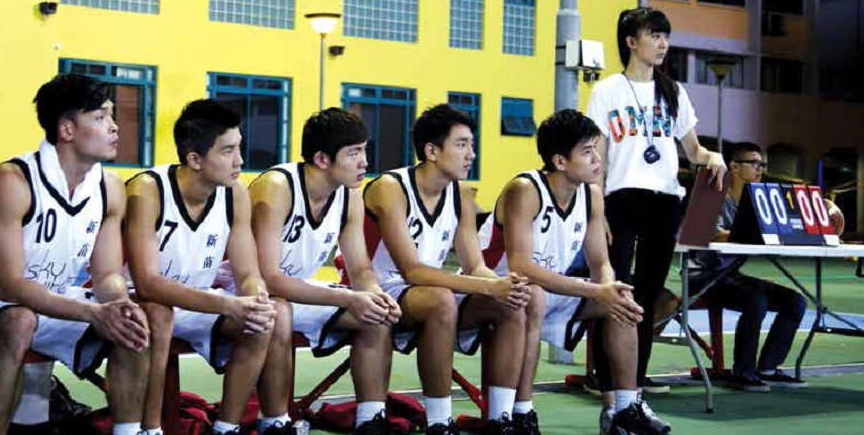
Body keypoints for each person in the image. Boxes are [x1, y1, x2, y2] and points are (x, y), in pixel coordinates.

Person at [0, 74, 150, 435]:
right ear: (67, 130)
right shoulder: (11, 180)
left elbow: (106, 276)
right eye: (101, 118)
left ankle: (129, 432)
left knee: (133, 321)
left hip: (53, 302)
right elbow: (9, 286)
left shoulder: (110, 188)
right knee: (19, 320)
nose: (115, 127)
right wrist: (93, 312)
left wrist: (119, 304)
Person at [479, 109, 670, 435]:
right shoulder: (525, 189)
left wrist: (609, 288)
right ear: (560, 161)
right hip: (497, 289)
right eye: (586, 151)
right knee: (533, 293)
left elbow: (600, 263)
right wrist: (597, 291)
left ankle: (626, 406)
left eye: (596, 148)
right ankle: (522, 412)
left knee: (621, 299)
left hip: (548, 290)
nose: (597, 158)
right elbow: (521, 266)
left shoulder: (591, 194)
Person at [364, 104, 531, 435]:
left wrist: (504, 284)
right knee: (441, 299)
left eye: (471, 144)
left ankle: (500, 420)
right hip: (379, 290)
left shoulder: (463, 196)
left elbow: (475, 265)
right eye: (461, 144)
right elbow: (411, 271)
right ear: (431, 151)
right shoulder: (390, 187)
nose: (471, 154)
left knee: (512, 303)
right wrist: (485, 286)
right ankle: (439, 422)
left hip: (427, 292)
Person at [584, 7, 726, 395]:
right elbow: (597, 157)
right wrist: (597, 211)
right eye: (654, 35)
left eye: (665, 36)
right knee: (614, 291)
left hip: (664, 202)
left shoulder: (673, 91)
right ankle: (603, 377)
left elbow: (693, 150)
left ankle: (635, 377)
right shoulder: (607, 90)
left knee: (648, 294)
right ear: (631, 41)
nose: (663, 43)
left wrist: (713, 158)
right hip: (621, 200)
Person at [124, 100, 277, 435]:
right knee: (159, 312)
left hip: (197, 303)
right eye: (227, 151)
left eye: (239, 148)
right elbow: (148, 282)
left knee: (262, 321)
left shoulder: (235, 194)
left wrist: (255, 297)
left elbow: (247, 272)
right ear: (194, 159)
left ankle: (226, 427)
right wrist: (228, 304)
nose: (240, 160)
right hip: (135, 303)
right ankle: (150, 429)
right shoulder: (147, 190)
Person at [248, 109, 400, 435]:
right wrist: (347, 298)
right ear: (321, 159)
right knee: (279, 311)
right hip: (246, 289)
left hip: (300, 290)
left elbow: (359, 267)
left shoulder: (351, 195)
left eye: (364, 150)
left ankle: (371, 420)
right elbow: (269, 276)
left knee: (374, 315)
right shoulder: (277, 187)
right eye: (354, 153)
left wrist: (373, 294)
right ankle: (275, 423)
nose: (364, 161)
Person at [687, 141, 833, 391]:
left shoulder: (756, 199)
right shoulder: (710, 194)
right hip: (702, 278)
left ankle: (768, 368)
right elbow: (700, 234)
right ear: (733, 166)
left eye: (762, 164)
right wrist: (748, 233)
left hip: (731, 275)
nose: (760, 169)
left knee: (795, 302)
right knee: (756, 301)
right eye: (754, 163)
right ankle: (742, 372)